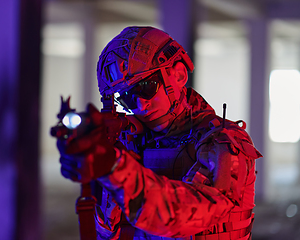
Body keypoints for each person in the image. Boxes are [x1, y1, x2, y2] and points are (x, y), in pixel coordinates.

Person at [58, 26, 262, 240]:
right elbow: (107, 231)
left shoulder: (224, 142)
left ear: (179, 75)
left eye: (147, 86)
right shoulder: (131, 139)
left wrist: (115, 167)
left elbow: (186, 216)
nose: (141, 105)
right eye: (127, 97)